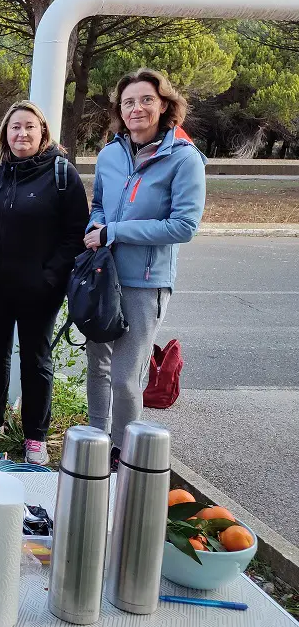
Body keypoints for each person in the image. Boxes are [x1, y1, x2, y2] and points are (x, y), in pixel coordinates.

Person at [83, 68, 205, 463]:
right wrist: (95, 228)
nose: (137, 108)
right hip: (104, 276)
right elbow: (99, 205)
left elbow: (183, 226)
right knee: (97, 365)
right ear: (120, 109)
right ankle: (94, 443)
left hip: (145, 281)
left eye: (146, 100)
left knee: (125, 376)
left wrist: (114, 231)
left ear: (165, 105)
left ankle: (123, 452)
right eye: (129, 101)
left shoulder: (184, 159)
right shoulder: (111, 153)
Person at [0, 100, 89, 465]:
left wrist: (50, 276)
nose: (22, 133)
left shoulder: (62, 174)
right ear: (4, 133)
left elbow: (75, 234)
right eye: (15, 127)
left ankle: (35, 435)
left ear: (43, 132)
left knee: (35, 359)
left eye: (30, 127)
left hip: (38, 289)